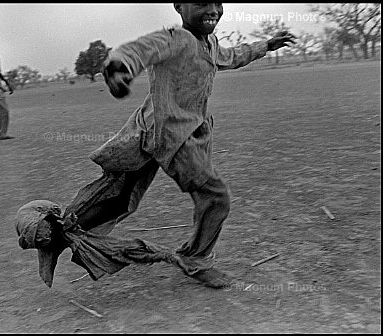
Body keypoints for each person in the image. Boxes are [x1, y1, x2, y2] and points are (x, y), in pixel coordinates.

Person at [28, 3, 296, 288]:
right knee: (215, 197)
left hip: (164, 130)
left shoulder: (212, 44)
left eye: (217, 3)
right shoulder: (173, 38)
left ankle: (54, 235)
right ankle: (196, 260)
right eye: (202, 3)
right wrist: (118, 69)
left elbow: (234, 55)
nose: (212, 10)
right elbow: (138, 50)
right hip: (172, 135)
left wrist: (266, 45)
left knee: (118, 196)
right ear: (179, 6)